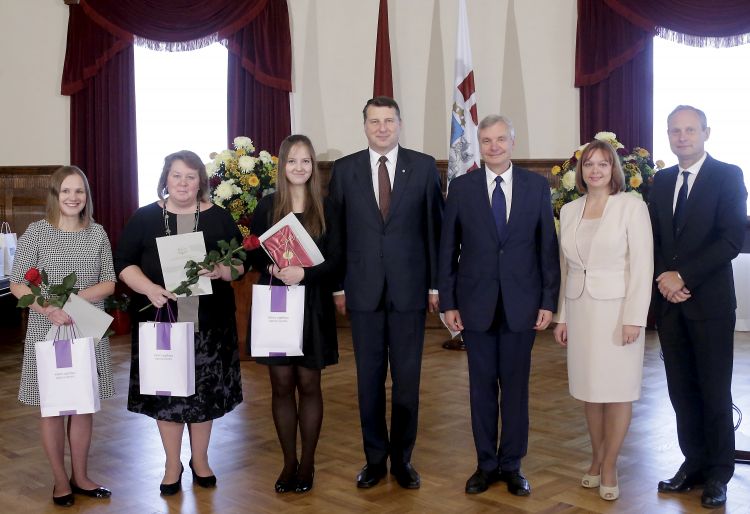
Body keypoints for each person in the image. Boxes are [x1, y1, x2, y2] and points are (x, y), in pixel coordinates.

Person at [439, 114, 559, 497]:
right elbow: (448, 249)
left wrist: (548, 300)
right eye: (487, 140)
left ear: (512, 142)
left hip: (523, 305)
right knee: (481, 389)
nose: (494, 146)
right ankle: (485, 464)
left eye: (501, 139)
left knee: (516, 389)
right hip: (475, 305)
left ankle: (512, 465)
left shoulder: (536, 186)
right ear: (479, 145)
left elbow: (547, 248)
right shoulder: (462, 187)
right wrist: (448, 302)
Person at [328, 96, 443, 489]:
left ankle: (403, 460)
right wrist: (338, 286)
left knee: (407, 382)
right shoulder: (345, 170)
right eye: (374, 121)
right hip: (362, 292)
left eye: (388, 121)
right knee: (369, 382)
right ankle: (375, 460)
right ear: (364, 126)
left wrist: (435, 285)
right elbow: (337, 235)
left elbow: (434, 230)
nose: (382, 128)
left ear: (399, 124)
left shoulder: (424, 167)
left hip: (410, 291)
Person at [114, 150, 244, 495]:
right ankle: (172, 464)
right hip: (160, 323)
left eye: (190, 176)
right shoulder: (144, 217)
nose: (183, 183)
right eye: (176, 175)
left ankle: (200, 460)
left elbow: (240, 265)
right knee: (166, 397)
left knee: (204, 396)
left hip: (210, 324)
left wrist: (220, 270)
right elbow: (123, 262)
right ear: (165, 179)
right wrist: (149, 289)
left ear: (201, 181)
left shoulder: (219, 217)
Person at [649, 105, 747, 509]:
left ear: (706, 133)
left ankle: (718, 473)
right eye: (676, 130)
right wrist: (664, 278)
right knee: (681, 391)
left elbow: (731, 239)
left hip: (710, 304)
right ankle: (693, 462)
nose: (683, 137)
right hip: (670, 305)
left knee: (714, 389)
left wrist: (683, 276)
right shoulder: (661, 181)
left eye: (690, 130)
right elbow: (653, 239)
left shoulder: (728, 175)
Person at [552, 140, 653, 501]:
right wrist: (562, 317)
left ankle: (610, 464)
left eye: (603, 164)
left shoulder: (631, 207)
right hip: (580, 310)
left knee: (619, 391)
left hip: (618, 313)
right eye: (589, 164)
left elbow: (642, 265)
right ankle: (596, 457)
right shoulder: (569, 210)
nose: (595, 170)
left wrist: (634, 318)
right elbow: (566, 268)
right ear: (581, 171)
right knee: (590, 392)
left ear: (614, 170)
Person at [10, 166, 115, 507]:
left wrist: (72, 301)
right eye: (66, 191)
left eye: (79, 191)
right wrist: (48, 309)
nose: (73, 197)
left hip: (86, 328)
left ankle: (80, 476)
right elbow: (17, 283)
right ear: (55, 195)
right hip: (47, 328)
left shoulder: (97, 233)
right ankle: (59, 480)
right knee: (53, 408)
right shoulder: (37, 232)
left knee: (83, 405)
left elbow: (109, 282)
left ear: (87, 196)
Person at [248, 134, 341, 494]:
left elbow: (337, 259)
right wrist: (272, 268)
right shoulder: (268, 206)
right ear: (282, 166)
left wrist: (305, 273)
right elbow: (254, 252)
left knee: (309, 384)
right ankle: (288, 462)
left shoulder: (328, 207)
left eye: (305, 161)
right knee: (282, 385)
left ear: (313, 166)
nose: (299, 167)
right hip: (277, 303)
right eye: (292, 161)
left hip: (313, 304)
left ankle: (308, 463)